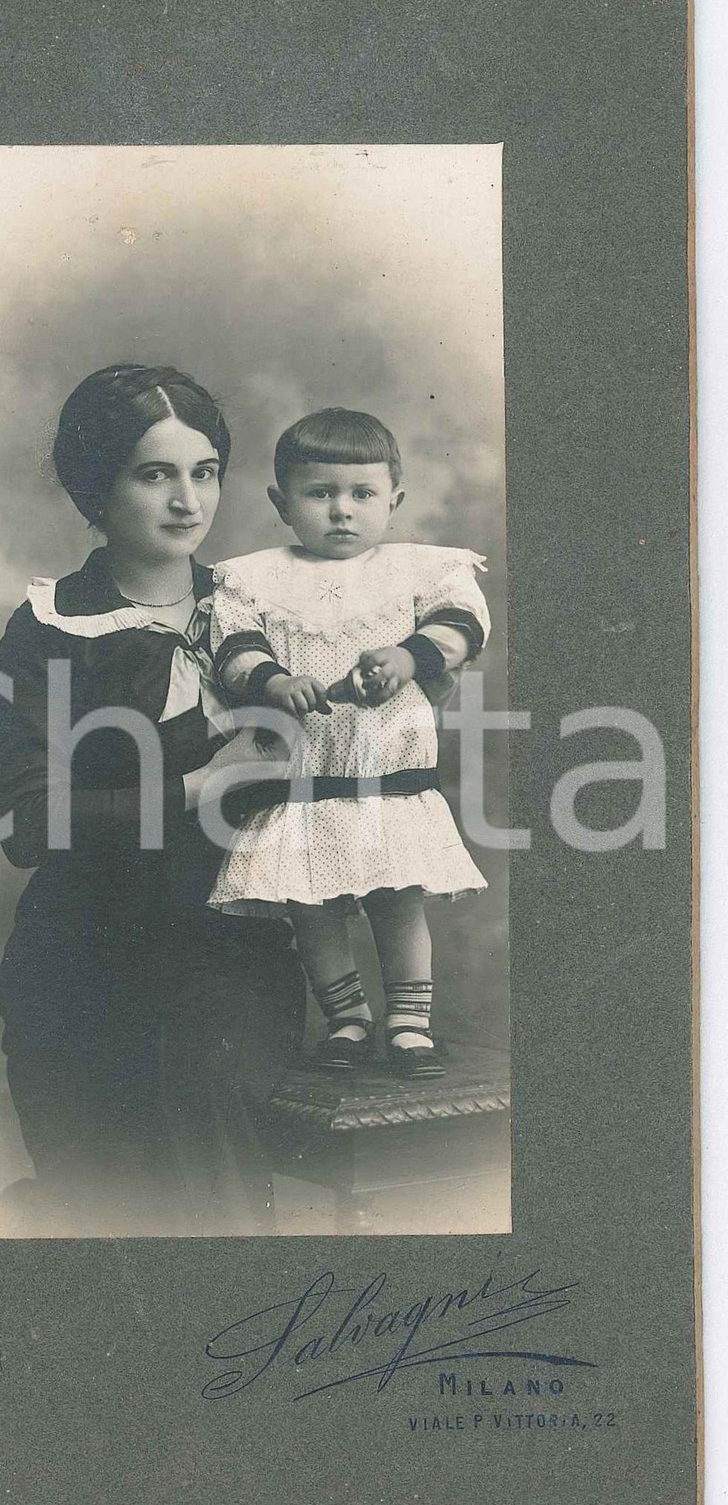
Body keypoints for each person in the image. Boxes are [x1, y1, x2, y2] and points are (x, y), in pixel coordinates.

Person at [0, 364, 305, 1235]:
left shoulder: (264, 615)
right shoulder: (48, 627)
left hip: (230, 956)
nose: (187, 501)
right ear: (97, 485)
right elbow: (29, 823)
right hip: (78, 959)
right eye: (154, 473)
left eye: (203, 472)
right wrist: (199, 787)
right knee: (92, 1202)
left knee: (196, 1085)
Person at [207, 406, 490, 1079]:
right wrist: (274, 681)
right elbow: (234, 648)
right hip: (306, 777)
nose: (341, 511)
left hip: (388, 772)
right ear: (282, 503)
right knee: (313, 905)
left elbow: (463, 624)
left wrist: (409, 654)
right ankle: (347, 1019)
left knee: (398, 898)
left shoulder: (420, 570)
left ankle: (409, 1025)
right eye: (319, 494)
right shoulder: (253, 579)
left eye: (362, 495)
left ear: (393, 499)